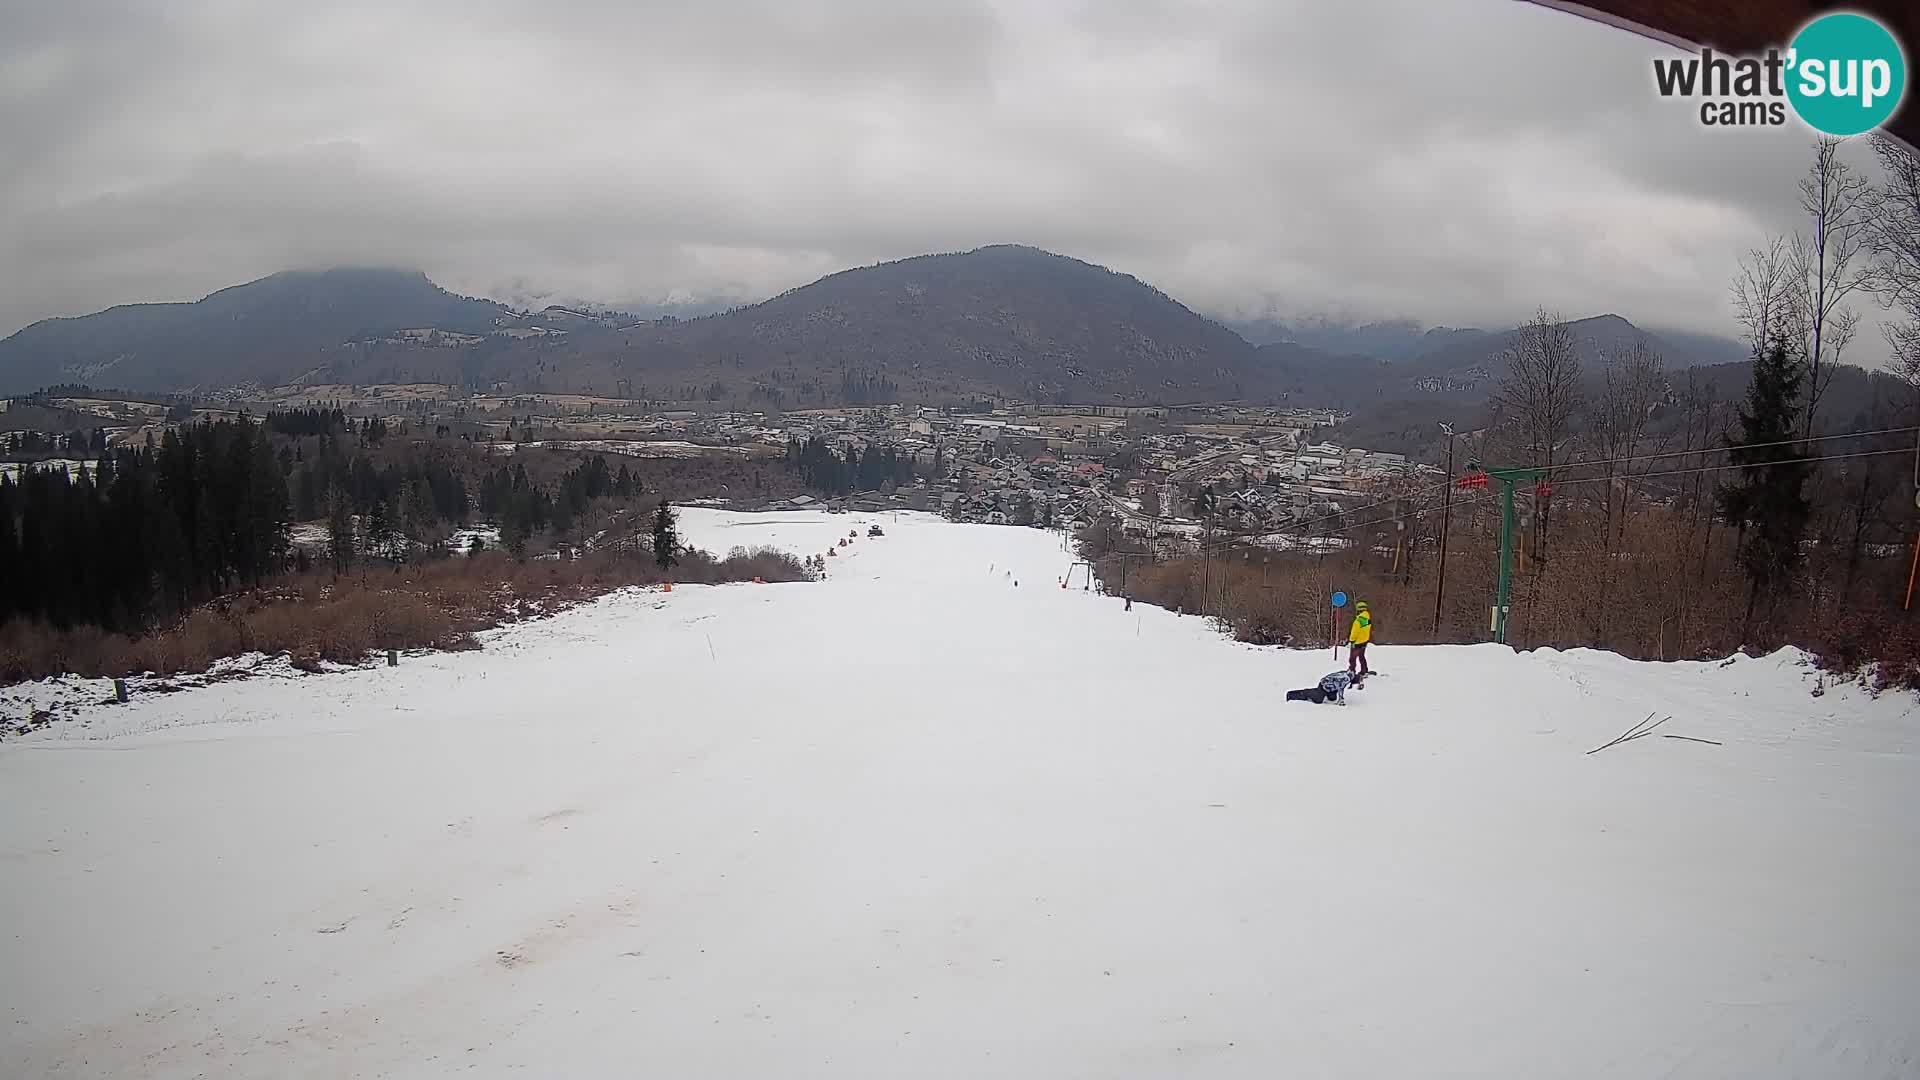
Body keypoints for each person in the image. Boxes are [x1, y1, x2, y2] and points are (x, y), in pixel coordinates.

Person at [1286, 669, 1364, 705]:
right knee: (1318, 700)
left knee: (1332, 698)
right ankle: (1294, 694)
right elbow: (1341, 688)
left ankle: (1324, 694)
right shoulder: (1346, 678)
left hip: (1331, 688)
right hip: (1324, 686)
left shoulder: (1348, 674)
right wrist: (1341, 700)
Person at [1347, 599, 1373, 677]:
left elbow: (1354, 632)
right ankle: (1364, 671)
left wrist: (1351, 640)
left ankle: (1352, 671)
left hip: (1357, 642)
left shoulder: (1358, 621)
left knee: (1352, 658)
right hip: (1365, 641)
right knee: (1361, 657)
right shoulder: (1368, 619)